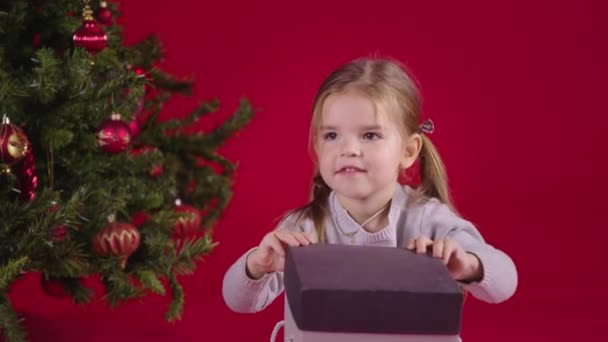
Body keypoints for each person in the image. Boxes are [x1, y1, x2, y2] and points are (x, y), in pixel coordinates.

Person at [222, 57, 518, 315]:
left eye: (370, 135)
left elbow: (505, 281)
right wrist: (256, 265)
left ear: (408, 151)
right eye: (332, 135)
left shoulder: (428, 220)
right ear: (316, 144)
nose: (348, 149)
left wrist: (468, 265)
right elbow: (238, 301)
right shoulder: (304, 229)